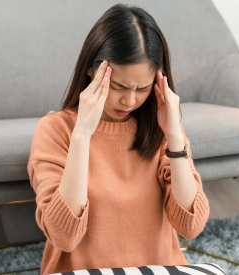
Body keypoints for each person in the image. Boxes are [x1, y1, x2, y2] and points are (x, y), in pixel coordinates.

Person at [27, 3, 210, 275]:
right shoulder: (55, 130)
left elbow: (190, 226)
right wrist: (82, 134)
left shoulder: (161, 131)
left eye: (143, 88)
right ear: (92, 70)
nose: (130, 100)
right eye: (119, 86)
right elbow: (64, 237)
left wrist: (174, 133)